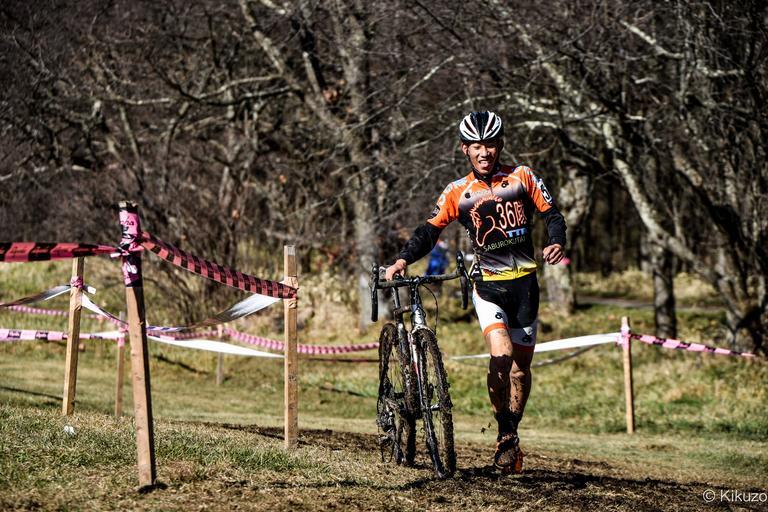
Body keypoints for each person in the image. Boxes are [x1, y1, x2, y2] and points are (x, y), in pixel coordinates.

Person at [385, 111, 566, 474]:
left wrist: (556, 241)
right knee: (502, 356)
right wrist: (403, 259)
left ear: (501, 145)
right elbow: (429, 231)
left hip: (526, 287)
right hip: (488, 288)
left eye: (491, 144)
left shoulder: (522, 176)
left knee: (520, 371)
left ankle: (508, 433)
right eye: (477, 146)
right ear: (465, 149)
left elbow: (553, 215)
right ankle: (505, 429)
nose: (485, 152)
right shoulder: (458, 191)